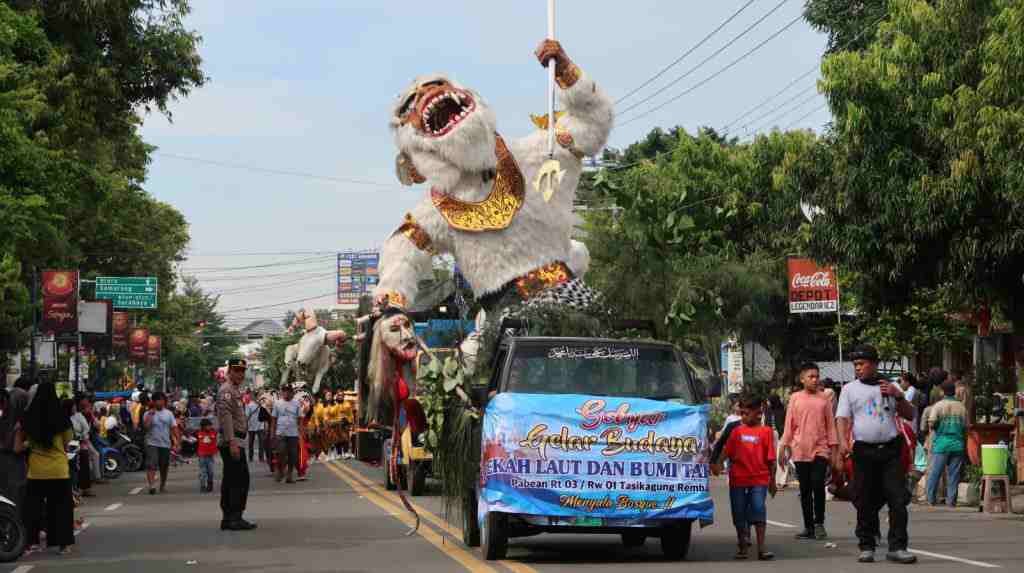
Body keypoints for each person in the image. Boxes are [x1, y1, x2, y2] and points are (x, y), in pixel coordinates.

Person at [836, 344, 917, 564]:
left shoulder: (889, 386)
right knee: (864, 499)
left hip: (891, 449)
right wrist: (843, 443)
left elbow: (910, 414)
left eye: (861, 364)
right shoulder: (849, 390)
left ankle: (898, 547)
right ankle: (867, 545)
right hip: (863, 451)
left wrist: (898, 396)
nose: (858, 368)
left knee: (898, 499)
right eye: (856, 365)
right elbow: (842, 419)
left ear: (874, 364)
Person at [14, 381, 75, 555]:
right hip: (59, 470)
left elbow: (17, 449)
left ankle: (31, 542)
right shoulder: (62, 418)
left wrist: (23, 437)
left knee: (32, 510)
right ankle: (63, 544)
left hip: (36, 473)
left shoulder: (28, 419)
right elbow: (67, 442)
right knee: (61, 509)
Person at [780, 362, 839, 540]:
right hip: (800, 450)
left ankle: (819, 523)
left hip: (820, 450)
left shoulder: (824, 399)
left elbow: (831, 427)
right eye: (811, 376)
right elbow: (789, 425)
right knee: (805, 490)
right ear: (802, 379)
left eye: (816, 376)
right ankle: (808, 527)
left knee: (818, 485)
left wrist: (834, 451)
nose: (814, 380)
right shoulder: (795, 398)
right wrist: (783, 447)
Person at [715, 394, 777, 561]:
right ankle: (742, 546)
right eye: (740, 413)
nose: (742, 416)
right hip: (738, 479)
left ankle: (762, 548)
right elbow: (726, 451)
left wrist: (772, 481)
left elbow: (771, 459)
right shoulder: (736, 432)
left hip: (759, 479)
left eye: (745, 413)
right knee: (739, 513)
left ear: (758, 412)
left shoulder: (766, 432)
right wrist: (718, 463)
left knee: (758, 510)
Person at [216, 358, 256, 530]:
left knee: (232, 479)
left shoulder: (234, 390)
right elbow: (225, 419)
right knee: (239, 480)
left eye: (242, 370)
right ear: (229, 371)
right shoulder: (226, 390)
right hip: (231, 441)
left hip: (236, 439)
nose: (240, 373)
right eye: (236, 370)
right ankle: (234, 517)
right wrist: (232, 442)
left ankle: (229, 518)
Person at [925, 379, 968, 507]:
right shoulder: (961, 407)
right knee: (954, 475)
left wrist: (939, 426)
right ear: (954, 391)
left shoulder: (938, 406)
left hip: (941, 444)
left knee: (935, 473)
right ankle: (951, 501)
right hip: (957, 444)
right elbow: (966, 427)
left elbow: (931, 423)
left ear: (942, 392)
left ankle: (931, 499)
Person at [143, 392, 176, 495]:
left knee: (164, 466)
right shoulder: (147, 413)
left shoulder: (169, 413)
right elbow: (146, 427)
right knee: (151, 465)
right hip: (151, 443)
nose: (159, 402)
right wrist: (151, 415)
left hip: (165, 443)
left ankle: (162, 484)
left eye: (161, 400)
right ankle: (152, 486)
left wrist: (177, 441)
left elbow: (173, 427)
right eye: (157, 400)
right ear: (153, 401)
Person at [270, 384, 302, 484]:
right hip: (280, 432)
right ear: (282, 392)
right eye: (284, 391)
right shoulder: (277, 403)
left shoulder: (297, 403)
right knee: (281, 453)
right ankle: (280, 470)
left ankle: (289, 474)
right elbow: (274, 419)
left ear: (292, 392)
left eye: (288, 391)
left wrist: (301, 432)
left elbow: (300, 419)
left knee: (293, 455)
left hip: (293, 433)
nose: (286, 393)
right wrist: (272, 433)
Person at [68, 397, 94, 498]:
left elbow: (86, 429)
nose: (74, 408)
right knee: (72, 468)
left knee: (84, 463)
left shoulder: (79, 416)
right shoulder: (63, 418)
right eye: (73, 406)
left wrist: (82, 438)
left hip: (79, 443)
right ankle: (74, 489)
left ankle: (85, 488)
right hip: (68, 446)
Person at [196, 418, 218, 493]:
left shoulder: (214, 432)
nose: (209, 427)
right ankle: (202, 486)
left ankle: (210, 483)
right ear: (203, 426)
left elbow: (220, 429)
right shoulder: (199, 433)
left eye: (210, 425)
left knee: (211, 471)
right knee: (203, 472)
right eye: (207, 426)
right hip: (202, 456)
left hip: (210, 456)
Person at [244, 394, 265, 463]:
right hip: (251, 427)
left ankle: (261, 458)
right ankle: (250, 457)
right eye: (256, 396)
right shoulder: (249, 405)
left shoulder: (262, 405)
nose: (257, 398)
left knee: (261, 443)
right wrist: (246, 425)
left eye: (258, 396)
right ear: (253, 397)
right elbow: (247, 416)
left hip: (260, 426)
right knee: (251, 443)